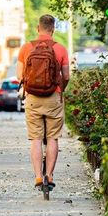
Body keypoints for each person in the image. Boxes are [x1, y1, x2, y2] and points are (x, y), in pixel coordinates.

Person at [17, 14, 70, 189]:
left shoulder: (26, 48)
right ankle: (50, 175)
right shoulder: (60, 49)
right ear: (53, 29)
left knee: (36, 139)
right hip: (53, 97)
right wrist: (61, 89)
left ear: (37, 28)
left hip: (32, 97)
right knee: (53, 138)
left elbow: (19, 76)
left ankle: (39, 177)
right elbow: (66, 76)